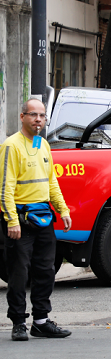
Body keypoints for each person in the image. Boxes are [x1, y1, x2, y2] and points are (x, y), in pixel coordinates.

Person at [0, 98, 72, 341]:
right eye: (33, 115)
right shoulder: (11, 146)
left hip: (42, 219)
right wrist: (11, 220)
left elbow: (51, 181)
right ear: (22, 117)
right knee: (18, 273)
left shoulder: (43, 145)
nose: (38, 119)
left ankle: (40, 321)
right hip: (19, 221)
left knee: (46, 270)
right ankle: (18, 322)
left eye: (42, 116)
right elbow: (4, 188)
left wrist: (63, 210)